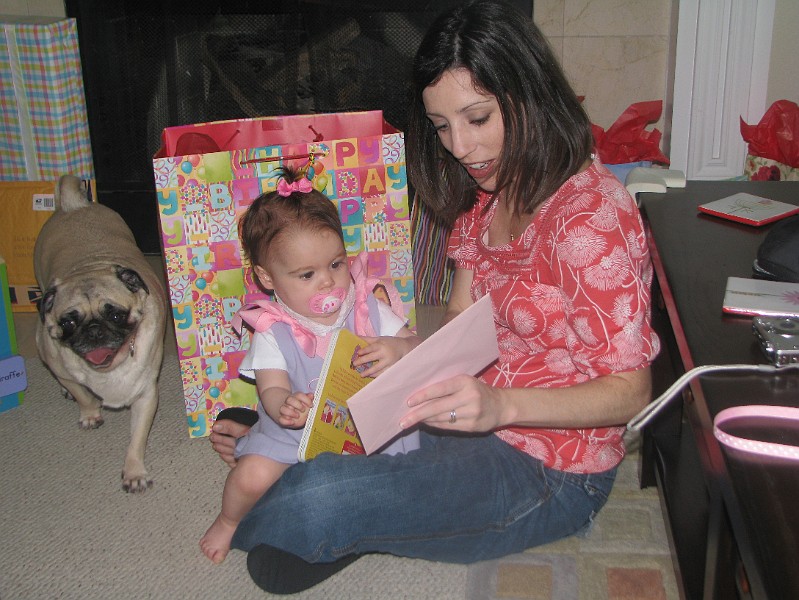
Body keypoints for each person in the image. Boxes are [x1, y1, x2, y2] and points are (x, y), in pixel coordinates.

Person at [209, 0, 660, 593]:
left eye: (478, 118)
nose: (461, 148)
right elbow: (456, 332)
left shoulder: (592, 221)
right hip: (457, 414)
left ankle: (350, 505)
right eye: (442, 126)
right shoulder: (485, 203)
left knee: (308, 507)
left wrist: (502, 408)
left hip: (550, 469)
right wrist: (405, 356)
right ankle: (321, 474)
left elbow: (631, 392)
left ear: (530, 92)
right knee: (311, 463)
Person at [200, 168, 421, 564]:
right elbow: (270, 388)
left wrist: (399, 349)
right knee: (250, 477)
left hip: (366, 429)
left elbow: (418, 345)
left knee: (405, 477)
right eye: (307, 274)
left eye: (336, 265)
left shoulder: (366, 306)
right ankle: (229, 520)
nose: (328, 283)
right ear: (268, 278)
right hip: (294, 434)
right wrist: (285, 404)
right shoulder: (273, 330)